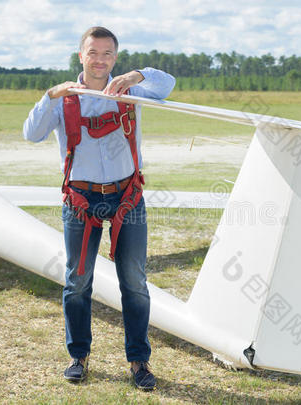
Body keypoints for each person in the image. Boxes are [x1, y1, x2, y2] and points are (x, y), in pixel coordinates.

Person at [23, 26, 175, 391]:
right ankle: (78, 356)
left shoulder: (131, 90)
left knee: (135, 283)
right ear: (81, 56)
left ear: (115, 58)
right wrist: (50, 95)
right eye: (93, 52)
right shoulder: (64, 97)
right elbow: (31, 133)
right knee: (78, 282)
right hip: (80, 200)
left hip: (127, 198)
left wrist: (137, 74)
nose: (100, 60)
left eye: (107, 53)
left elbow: (167, 83)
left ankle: (139, 360)